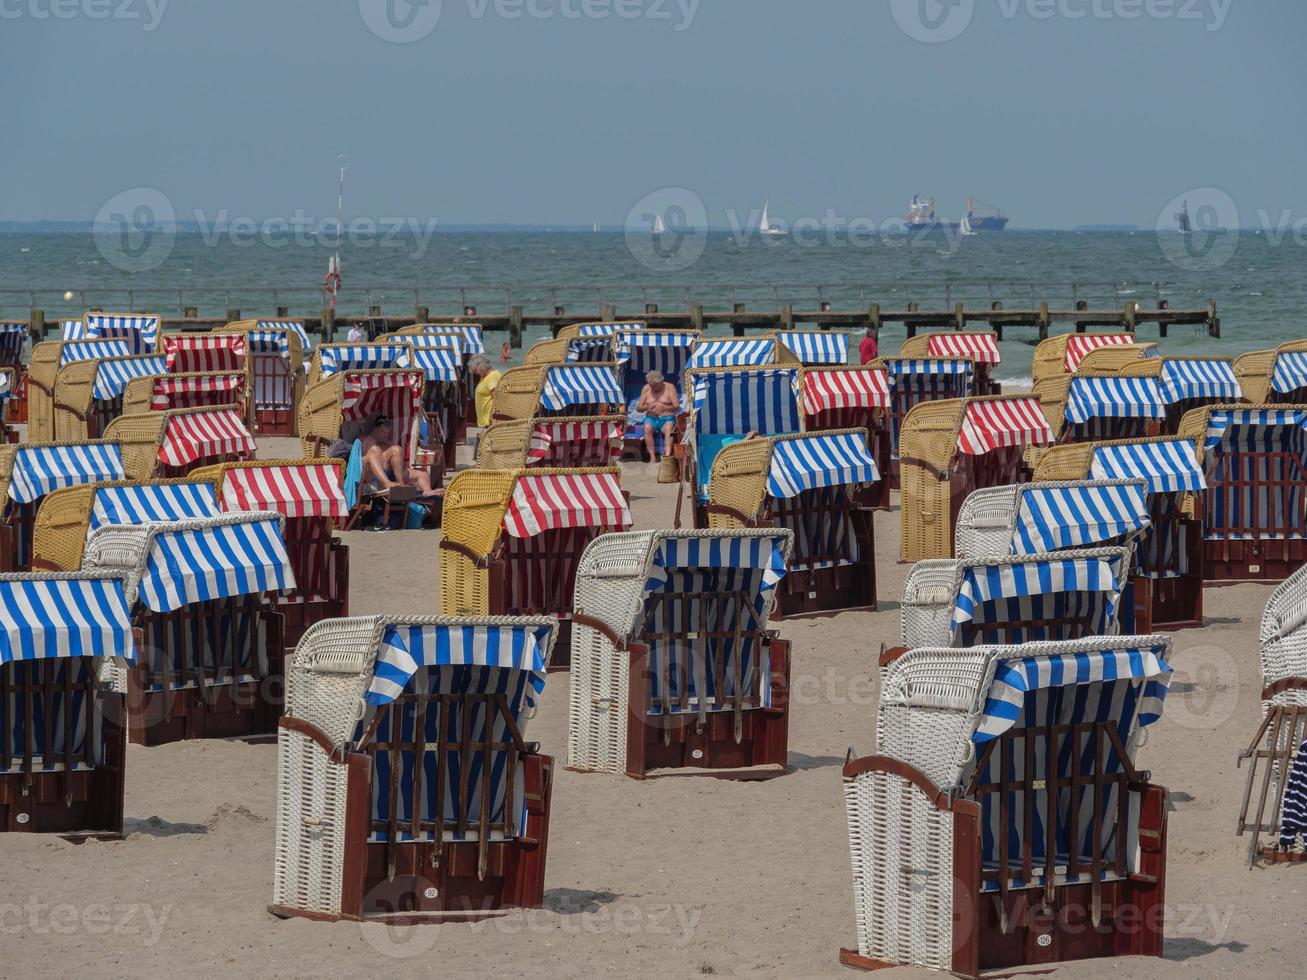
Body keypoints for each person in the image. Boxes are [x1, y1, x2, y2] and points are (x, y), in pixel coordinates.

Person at [359, 415, 434, 494]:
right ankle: (387, 483)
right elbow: (364, 461)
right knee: (375, 450)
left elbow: (398, 464)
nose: (385, 435)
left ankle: (427, 491)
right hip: (369, 473)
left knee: (423, 474)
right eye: (382, 432)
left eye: (387, 433)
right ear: (375, 429)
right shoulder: (366, 440)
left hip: (389, 472)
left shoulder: (388, 443)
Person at [635, 370, 679, 461]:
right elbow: (639, 408)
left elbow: (676, 406)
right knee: (647, 427)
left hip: (667, 419)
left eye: (655, 385)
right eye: (651, 385)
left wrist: (665, 408)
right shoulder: (646, 388)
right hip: (651, 419)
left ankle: (666, 457)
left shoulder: (670, 387)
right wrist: (647, 407)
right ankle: (652, 457)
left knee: (669, 429)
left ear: (661, 381)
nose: (653, 387)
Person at [469, 353, 502, 428]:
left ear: (481, 367)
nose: (476, 374)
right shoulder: (484, 377)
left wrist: (491, 417)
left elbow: (497, 399)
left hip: (490, 422)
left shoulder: (492, 376)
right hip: (485, 422)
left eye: (476, 371)